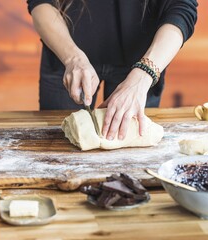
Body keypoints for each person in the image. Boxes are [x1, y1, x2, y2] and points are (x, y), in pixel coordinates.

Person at [27, 0, 198, 141]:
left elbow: (182, 8)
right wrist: (72, 58)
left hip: (142, 64)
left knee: (131, 151)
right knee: (58, 145)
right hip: (66, 55)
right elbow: (40, 2)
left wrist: (144, 73)